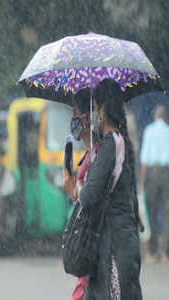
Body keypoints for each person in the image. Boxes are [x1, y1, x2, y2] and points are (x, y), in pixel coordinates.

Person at [76, 80, 143, 300]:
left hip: (114, 251)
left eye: (94, 108)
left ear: (102, 109)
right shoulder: (120, 142)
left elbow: (87, 198)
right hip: (123, 245)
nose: (93, 114)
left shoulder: (110, 146)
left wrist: (72, 186)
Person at [63, 89, 99, 300]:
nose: (73, 122)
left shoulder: (98, 154)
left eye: (76, 116)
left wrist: (72, 190)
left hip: (91, 240)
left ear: (87, 118)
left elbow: (88, 198)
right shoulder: (89, 155)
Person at [138, 105, 169, 263]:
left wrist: (142, 183)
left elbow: (144, 161)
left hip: (153, 174)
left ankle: (153, 249)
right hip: (168, 174)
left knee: (151, 211)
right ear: (165, 117)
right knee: (168, 212)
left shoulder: (149, 131)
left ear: (155, 117)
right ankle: (164, 252)